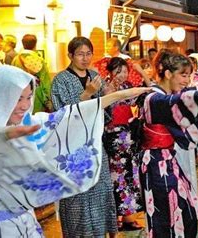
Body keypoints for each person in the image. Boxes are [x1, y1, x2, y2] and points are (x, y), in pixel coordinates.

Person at [0, 65, 149, 237]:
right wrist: (7, 134)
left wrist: (118, 95)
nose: (25, 105)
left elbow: (68, 115)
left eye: (28, 98)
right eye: (17, 98)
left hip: (25, 223)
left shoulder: (28, 124)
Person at [52, 37, 141, 238]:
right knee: (79, 194)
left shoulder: (94, 75)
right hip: (73, 147)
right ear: (70, 55)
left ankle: (103, 232)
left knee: (101, 189)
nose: (85, 58)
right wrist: (86, 94)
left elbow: (104, 112)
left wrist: (107, 96)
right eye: (80, 54)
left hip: (95, 142)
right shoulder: (61, 80)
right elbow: (61, 114)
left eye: (88, 54)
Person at [140, 51, 198, 237]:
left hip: (167, 160)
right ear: (167, 74)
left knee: (186, 209)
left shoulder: (165, 94)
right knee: (166, 214)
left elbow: (183, 98)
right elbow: (178, 102)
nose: (186, 80)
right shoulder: (153, 98)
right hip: (154, 163)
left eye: (188, 75)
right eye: (183, 75)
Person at [102, 57, 147, 231]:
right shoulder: (104, 88)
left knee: (130, 175)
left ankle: (129, 217)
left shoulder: (128, 87)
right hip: (112, 136)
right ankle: (115, 219)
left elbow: (141, 98)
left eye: (125, 71)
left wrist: (142, 73)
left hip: (128, 136)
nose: (122, 75)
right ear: (110, 71)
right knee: (116, 177)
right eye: (118, 71)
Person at [12, 34, 52, 112]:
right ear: (35, 44)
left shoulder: (16, 59)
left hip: (20, 95)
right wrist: (48, 99)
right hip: (37, 96)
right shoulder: (39, 60)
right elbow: (46, 82)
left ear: (23, 44)